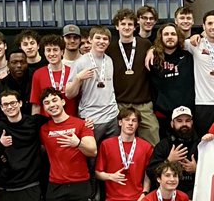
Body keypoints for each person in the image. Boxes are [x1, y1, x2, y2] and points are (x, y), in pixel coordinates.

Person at [108, 9, 159, 144]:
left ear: (135, 26)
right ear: (117, 26)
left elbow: (160, 47)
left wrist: (153, 49)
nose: (126, 27)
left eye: (130, 24)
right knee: (115, 140)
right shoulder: (110, 48)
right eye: (123, 24)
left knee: (153, 134)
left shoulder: (144, 44)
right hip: (120, 104)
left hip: (143, 104)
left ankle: (156, 165)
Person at [185, 11, 214, 136]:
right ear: (203, 26)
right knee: (204, 141)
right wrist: (152, 50)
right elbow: (170, 43)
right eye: (210, 23)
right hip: (203, 103)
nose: (213, 27)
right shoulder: (194, 43)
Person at [71, 26, 121, 141]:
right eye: (98, 38)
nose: (101, 42)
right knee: (92, 156)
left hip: (112, 116)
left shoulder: (109, 60)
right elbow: (69, 94)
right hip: (91, 118)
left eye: (105, 39)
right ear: (90, 39)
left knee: (111, 154)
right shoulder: (80, 62)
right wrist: (78, 78)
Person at [149, 24, 195, 138]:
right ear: (161, 37)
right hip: (163, 113)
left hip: (186, 113)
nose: (170, 37)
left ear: (178, 36)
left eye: (173, 34)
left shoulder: (188, 56)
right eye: (166, 34)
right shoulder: (153, 59)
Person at [147, 106, 199, 196]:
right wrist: (168, 161)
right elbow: (151, 173)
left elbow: (213, 173)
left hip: (194, 191)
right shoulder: (163, 145)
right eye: (179, 121)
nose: (184, 124)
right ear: (172, 123)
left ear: (192, 122)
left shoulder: (200, 145)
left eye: (187, 121)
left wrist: (197, 169)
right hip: (167, 192)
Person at [30, 35, 84, 118]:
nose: (52, 54)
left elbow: (80, 100)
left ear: (62, 52)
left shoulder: (72, 72)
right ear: (44, 53)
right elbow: (36, 104)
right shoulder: (38, 74)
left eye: (55, 50)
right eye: (48, 50)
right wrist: (34, 125)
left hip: (71, 122)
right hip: (47, 123)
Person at [0, 51, 34, 121]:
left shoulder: (35, 80)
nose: (19, 65)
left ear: (27, 63)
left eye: (22, 62)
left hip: (32, 124)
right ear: (8, 64)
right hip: (8, 125)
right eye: (14, 62)